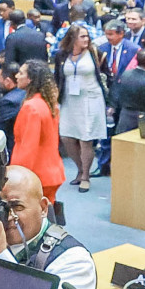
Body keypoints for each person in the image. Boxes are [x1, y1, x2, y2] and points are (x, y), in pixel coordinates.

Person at [53, 24, 108, 192]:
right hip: (69, 100)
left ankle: (85, 176)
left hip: (91, 99)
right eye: (82, 36)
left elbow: (105, 75)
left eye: (87, 36)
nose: (86, 39)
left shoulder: (94, 53)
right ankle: (80, 168)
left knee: (86, 139)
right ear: (72, 38)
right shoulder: (61, 55)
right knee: (67, 138)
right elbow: (57, 78)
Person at [8, 59, 65, 209]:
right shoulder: (49, 102)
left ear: (30, 79)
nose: (16, 76)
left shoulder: (31, 107)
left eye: (21, 73)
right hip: (52, 172)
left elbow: (28, 148)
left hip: (36, 176)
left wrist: (16, 178)